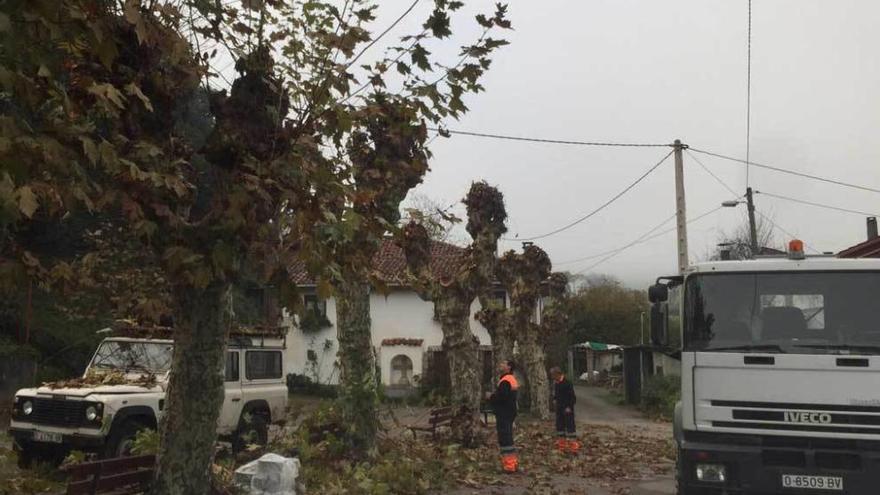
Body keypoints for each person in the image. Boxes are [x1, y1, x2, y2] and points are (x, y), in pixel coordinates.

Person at [487, 359, 519, 473]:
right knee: (508, 437)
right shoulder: (511, 379)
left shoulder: (505, 380)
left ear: (509, 367)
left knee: (505, 438)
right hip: (509, 411)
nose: (500, 365)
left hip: (504, 412)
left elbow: (502, 398)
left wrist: (491, 397)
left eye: (503, 363)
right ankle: (512, 463)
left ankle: (509, 466)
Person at [550, 366, 579, 454]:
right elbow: (556, 394)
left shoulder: (567, 383)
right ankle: (562, 447)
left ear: (558, 374)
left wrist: (569, 407)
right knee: (560, 427)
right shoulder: (556, 383)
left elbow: (572, 397)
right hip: (559, 408)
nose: (552, 377)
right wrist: (554, 400)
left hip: (567, 409)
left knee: (570, 428)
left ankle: (573, 448)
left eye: (553, 375)